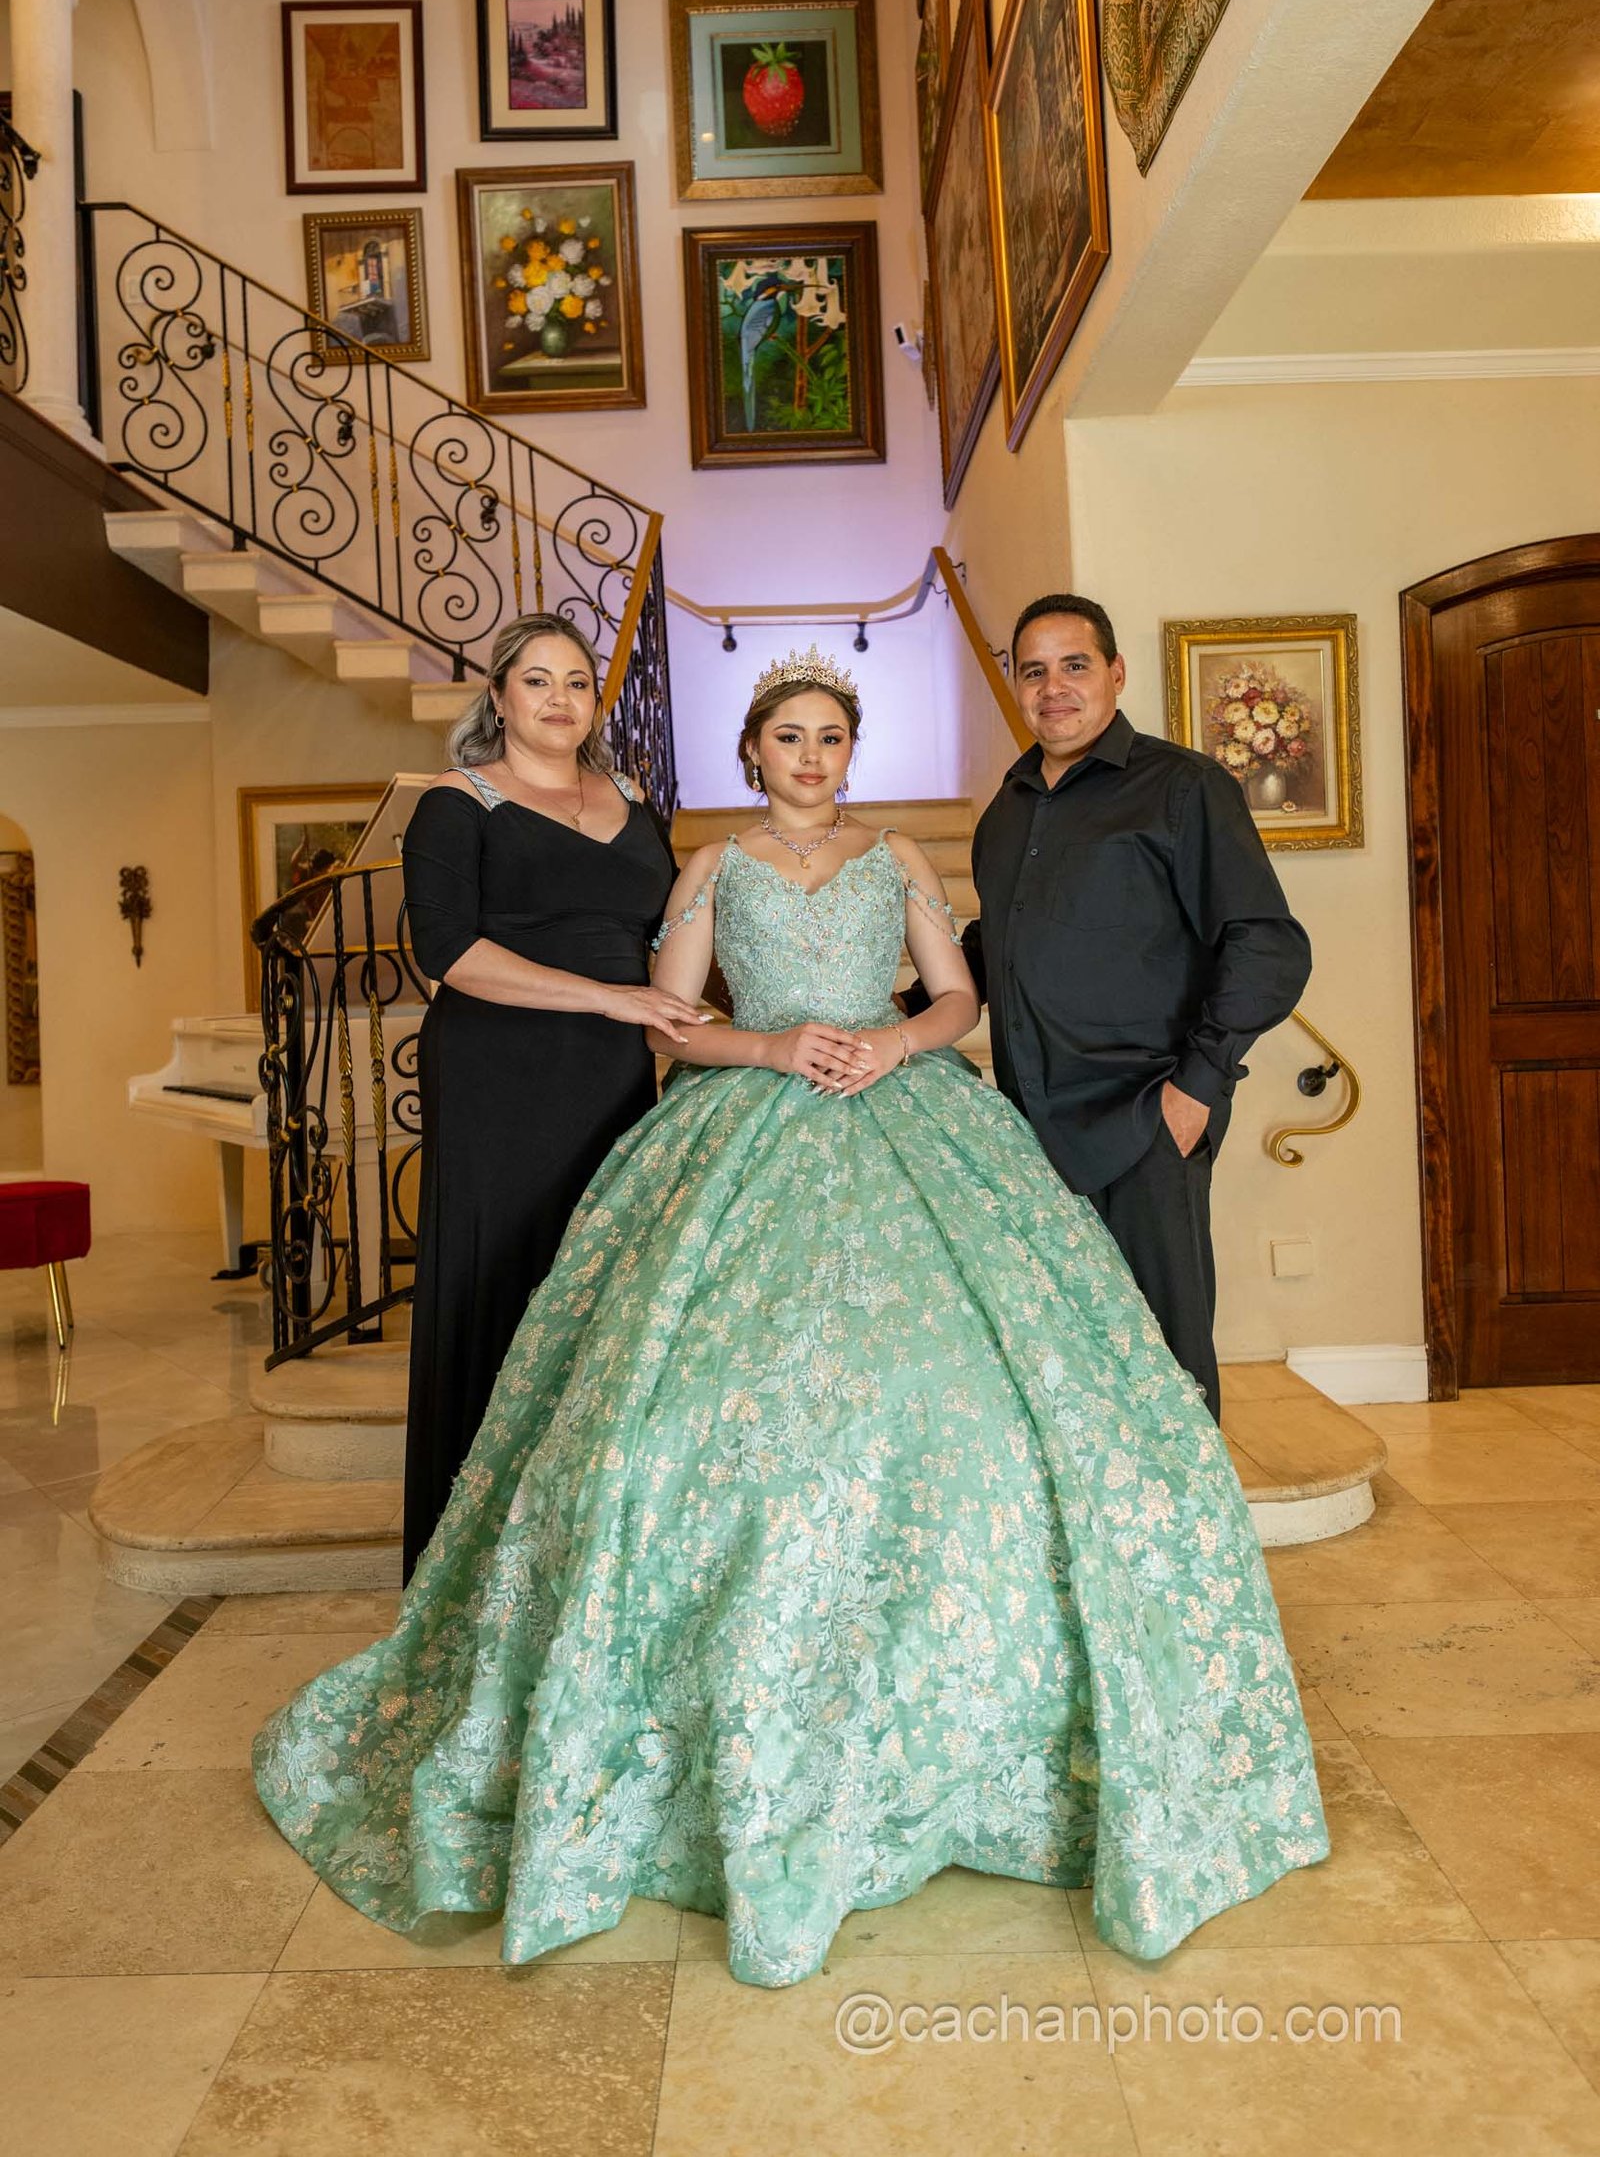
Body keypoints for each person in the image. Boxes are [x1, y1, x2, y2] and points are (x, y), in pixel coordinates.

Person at [253, 648, 1327, 1989]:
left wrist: (895, 1043)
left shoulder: (901, 860)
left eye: (830, 737)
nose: (811, 757)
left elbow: (957, 997)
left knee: (983, 1396)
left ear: (848, 753)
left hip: (907, 1114)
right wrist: (770, 1046)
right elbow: (673, 1025)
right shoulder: (705, 867)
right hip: (746, 1122)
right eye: (788, 737)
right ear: (751, 754)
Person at [397, 612, 706, 1578]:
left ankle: (580, 1553)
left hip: (611, 1075)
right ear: (499, 697)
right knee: (505, 1281)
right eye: (537, 680)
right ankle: (477, 1559)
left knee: (601, 1289)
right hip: (500, 1072)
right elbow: (447, 953)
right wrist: (610, 998)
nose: (561, 699)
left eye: (578, 682)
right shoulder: (457, 803)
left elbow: (672, 938)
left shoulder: (634, 797)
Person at [967, 594, 1313, 1423]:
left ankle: (1192, 1508)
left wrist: (1195, 1089)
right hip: (1030, 1129)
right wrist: (887, 1008)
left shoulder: (1183, 788)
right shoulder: (1006, 810)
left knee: (1165, 1355)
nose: (1053, 688)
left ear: (1116, 673)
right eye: (1034, 671)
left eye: (1074, 665)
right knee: (1068, 1354)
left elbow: (1268, 946)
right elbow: (994, 948)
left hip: (1144, 1114)